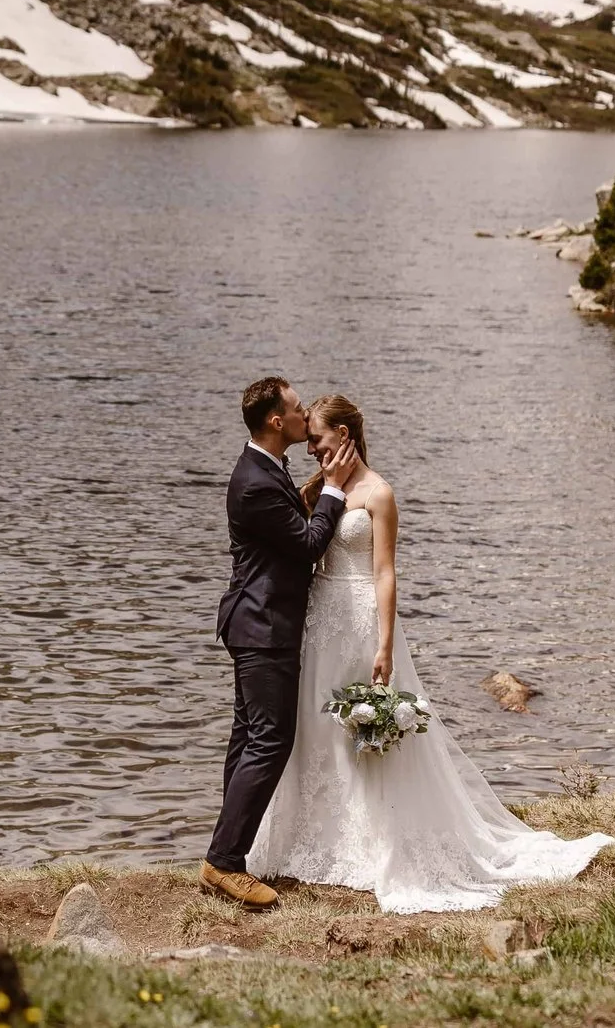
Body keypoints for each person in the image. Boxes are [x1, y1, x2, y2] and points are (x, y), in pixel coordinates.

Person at [244, 393, 615, 912]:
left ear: (346, 435)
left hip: (361, 621)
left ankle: (377, 841)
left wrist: (384, 642)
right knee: (317, 727)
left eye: (318, 437)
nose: (311, 447)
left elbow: (384, 571)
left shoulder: (379, 494)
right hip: (321, 622)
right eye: (308, 437)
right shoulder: (318, 490)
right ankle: (315, 836)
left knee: (363, 727)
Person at [199, 376, 347, 909]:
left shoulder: (265, 468)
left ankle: (229, 850)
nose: (305, 412)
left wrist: (311, 487)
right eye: (297, 406)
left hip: (256, 623)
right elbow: (307, 544)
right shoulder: (256, 480)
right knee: (269, 740)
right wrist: (332, 490)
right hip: (263, 627)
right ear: (275, 422)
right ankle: (225, 862)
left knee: (248, 738)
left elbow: (283, 527)